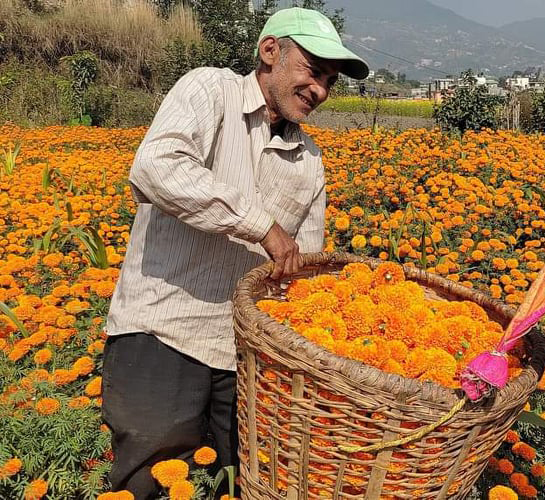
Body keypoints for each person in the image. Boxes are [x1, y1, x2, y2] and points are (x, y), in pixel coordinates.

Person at [101, 8, 368, 498]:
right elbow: (157, 168)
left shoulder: (309, 162)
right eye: (313, 71)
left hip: (246, 355)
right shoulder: (209, 91)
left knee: (249, 480)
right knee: (151, 479)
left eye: (330, 81)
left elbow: (302, 266)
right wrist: (259, 224)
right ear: (271, 51)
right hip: (164, 329)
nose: (321, 91)